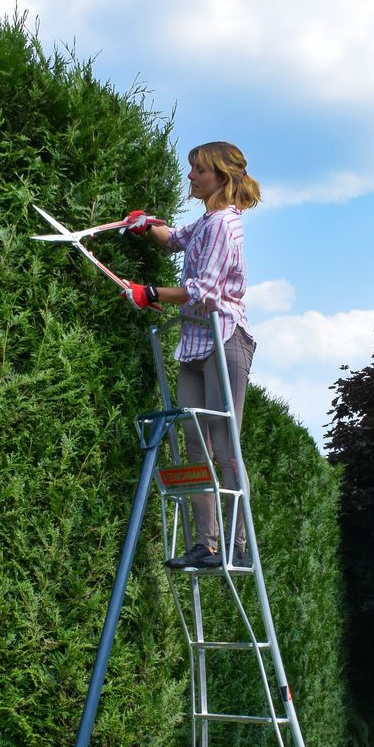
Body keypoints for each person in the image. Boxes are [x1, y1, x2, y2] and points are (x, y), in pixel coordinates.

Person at [122, 141, 260, 570]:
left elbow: (203, 290)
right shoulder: (204, 224)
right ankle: (207, 545)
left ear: (221, 176)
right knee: (195, 445)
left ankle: (238, 544)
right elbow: (173, 241)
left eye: (198, 170)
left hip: (226, 340)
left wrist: (150, 294)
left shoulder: (225, 225)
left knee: (224, 445)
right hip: (196, 343)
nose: (190, 176)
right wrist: (147, 226)